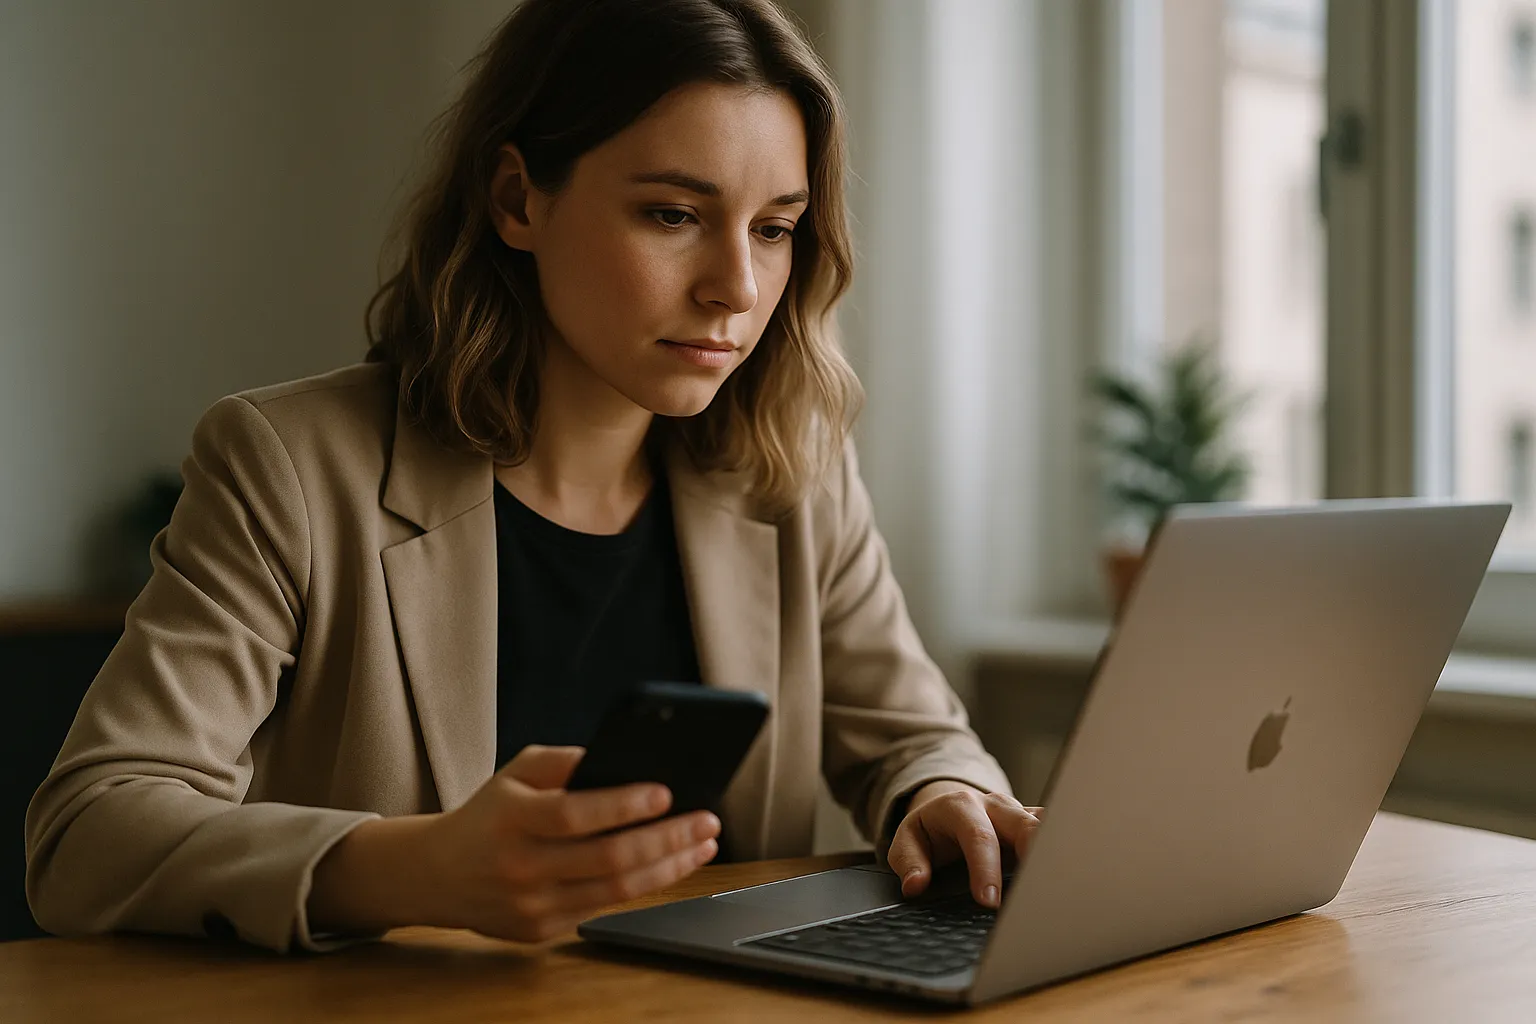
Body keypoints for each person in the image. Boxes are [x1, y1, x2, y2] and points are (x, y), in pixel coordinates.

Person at [24, 0, 1038, 953]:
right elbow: (88, 831)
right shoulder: (288, 466)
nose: (737, 285)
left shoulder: (794, 472)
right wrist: (412, 868)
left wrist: (942, 797)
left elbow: (915, 740)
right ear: (518, 199)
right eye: (674, 214)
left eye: (774, 228)